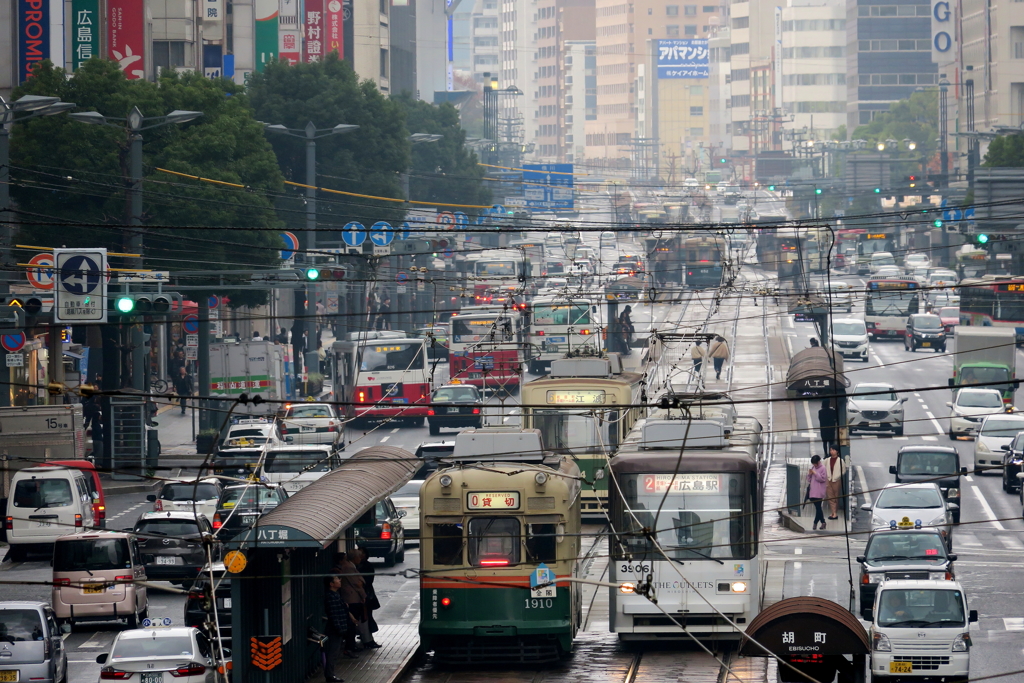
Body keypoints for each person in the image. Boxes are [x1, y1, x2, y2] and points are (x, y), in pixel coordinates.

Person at [334, 552, 366, 653]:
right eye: (358, 556)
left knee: (353, 623)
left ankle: (351, 645)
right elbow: (357, 584)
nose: (360, 558)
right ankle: (350, 647)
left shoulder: (350, 566)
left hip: (352, 597)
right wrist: (363, 596)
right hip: (352, 598)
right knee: (352, 623)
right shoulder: (348, 567)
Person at [323, 575, 352, 682]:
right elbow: (334, 615)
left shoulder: (336, 595)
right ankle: (330, 676)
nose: (339, 580)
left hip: (338, 628)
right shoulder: (331, 597)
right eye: (337, 579)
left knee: (334, 652)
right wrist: (340, 629)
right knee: (332, 653)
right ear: (331, 584)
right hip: (335, 629)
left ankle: (331, 674)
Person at [352, 549, 382, 648]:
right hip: (361, 596)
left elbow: (368, 581)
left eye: (362, 554)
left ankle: (367, 637)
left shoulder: (366, 565)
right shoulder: (353, 567)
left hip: (366, 595)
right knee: (363, 618)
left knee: (366, 617)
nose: (360, 556)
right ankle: (366, 638)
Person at [825, 443, 846, 520]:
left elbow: (843, 470)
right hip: (829, 480)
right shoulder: (827, 460)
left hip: (836, 480)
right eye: (830, 450)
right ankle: (833, 513)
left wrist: (838, 476)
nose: (832, 451)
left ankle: (834, 512)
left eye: (833, 450)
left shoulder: (840, 461)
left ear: (837, 451)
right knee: (830, 496)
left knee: (836, 496)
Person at [806, 454, 828, 530]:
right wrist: (809, 474)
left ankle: (817, 523)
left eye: (815, 463)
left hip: (819, 491)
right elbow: (808, 480)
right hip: (813, 491)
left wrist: (815, 473)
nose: (814, 465)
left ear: (818, 462)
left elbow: (822, 479)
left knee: (818, 507)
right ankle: (822, 522)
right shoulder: (813, 467)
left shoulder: (823, 468)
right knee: (818, 508)